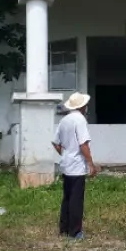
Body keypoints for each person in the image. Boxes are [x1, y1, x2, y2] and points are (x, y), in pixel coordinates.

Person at [52, 92, 99, 240]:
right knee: (76, 199)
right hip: (77, 166)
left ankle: (64, 228)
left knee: (67, 197)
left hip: (66, 164)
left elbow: (55, 142)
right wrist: (91, 163)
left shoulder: (64, 120)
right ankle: (75, 231)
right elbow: (83, 144)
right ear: (83, 106)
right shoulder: (80, 120)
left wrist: (65, 153)